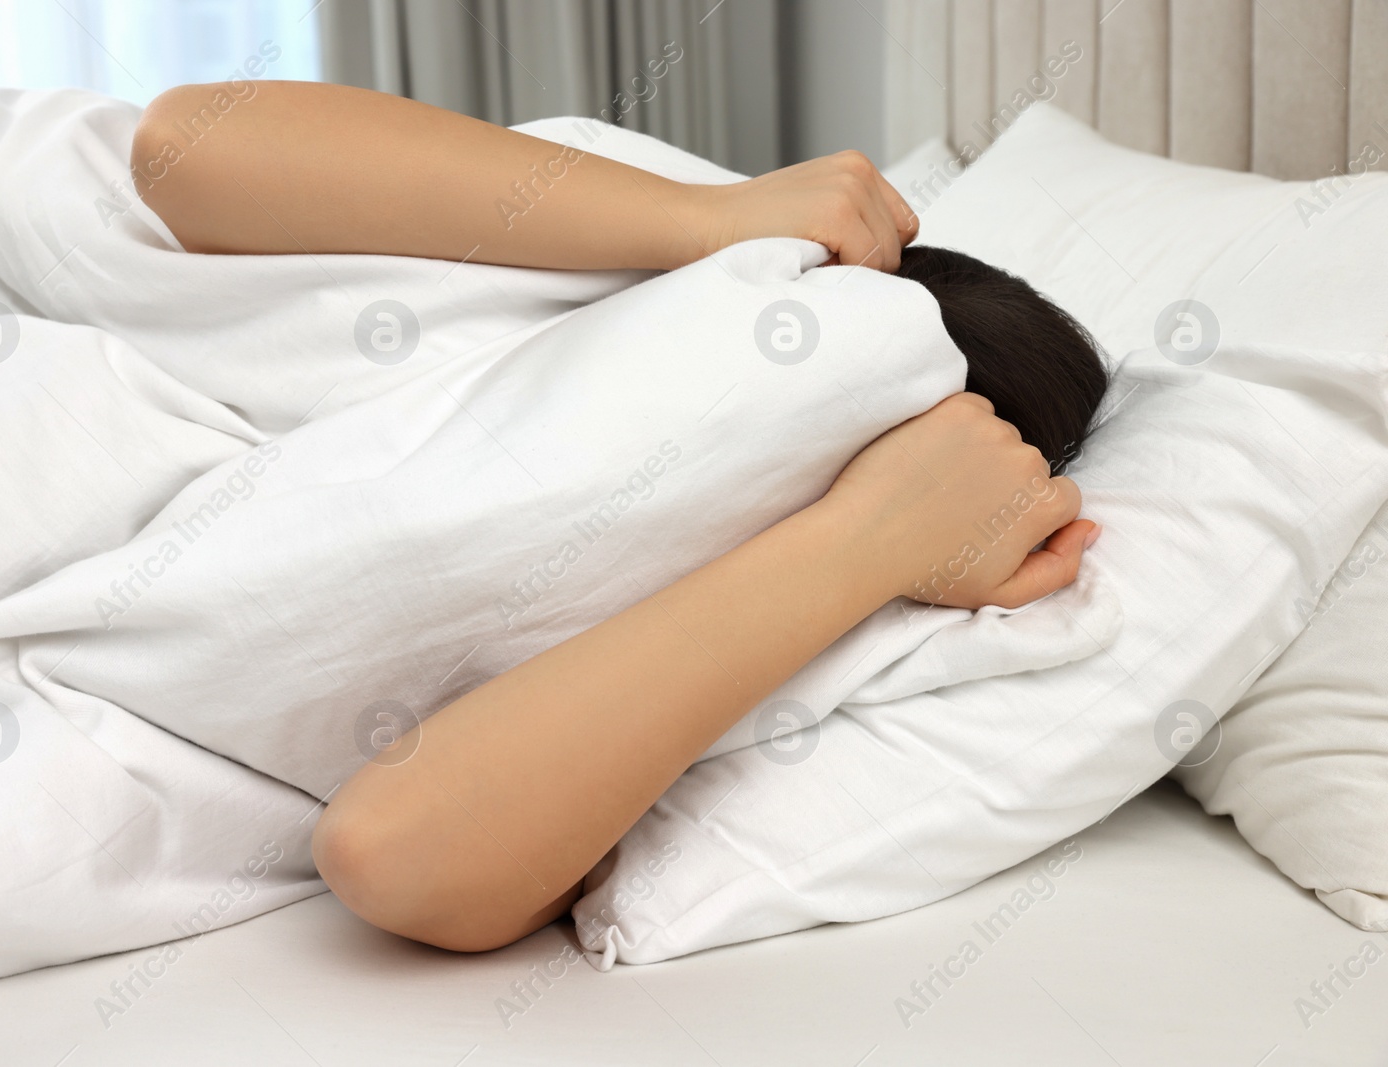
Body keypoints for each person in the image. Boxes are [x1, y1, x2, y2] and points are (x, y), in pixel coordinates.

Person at [131, 81, 1104, 954]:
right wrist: (697, 215)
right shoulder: (658, 260)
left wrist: (866, 540)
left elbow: (388, 852)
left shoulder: (710, 562)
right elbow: (180, 145)